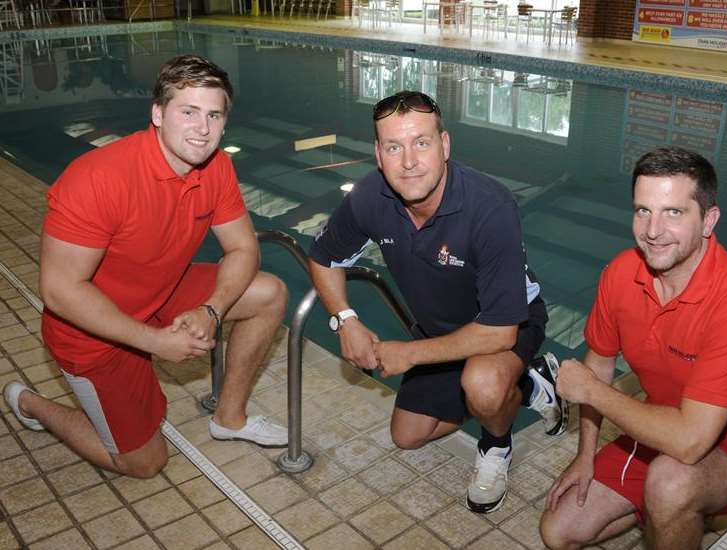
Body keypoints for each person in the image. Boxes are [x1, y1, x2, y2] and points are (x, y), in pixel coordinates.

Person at [2, 55, 289, 479]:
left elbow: (244, 249)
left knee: (270, 293)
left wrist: (212, 308)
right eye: (188, 112)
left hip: (162, 291)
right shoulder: (98, 179)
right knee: (145, 463)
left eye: (214, 115)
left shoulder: (217, 167)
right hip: (93, 334)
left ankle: (230, 419)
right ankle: (31, 404)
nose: (203, 129)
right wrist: (154, 342)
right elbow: (61, 290)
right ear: (158, 114)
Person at [308, 90, 569, 514]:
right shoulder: (371, 197)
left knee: (483, 384)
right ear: (378, 153)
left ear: (444, 145)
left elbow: (500, 330)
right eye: (394, 146)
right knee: (408, 435)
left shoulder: (490, 206)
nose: (409, 161)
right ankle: (528, 384)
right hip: (440, 331)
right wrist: (346, 320)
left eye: (421, 143)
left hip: (505, 326)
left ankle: (496, 445)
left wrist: (411, 354)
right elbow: (322, 258)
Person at [540, 147, 727, 549]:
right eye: (643, 210)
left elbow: (688, 441)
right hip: (664, 424)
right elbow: (599, 366)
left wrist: (592, 392)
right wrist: (585, 455)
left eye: (673, 212)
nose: (652, 230)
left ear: (708, 220)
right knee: (558, 532)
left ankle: (676, 505)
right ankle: (666, 511)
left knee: (671, 482)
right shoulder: (621, 273)